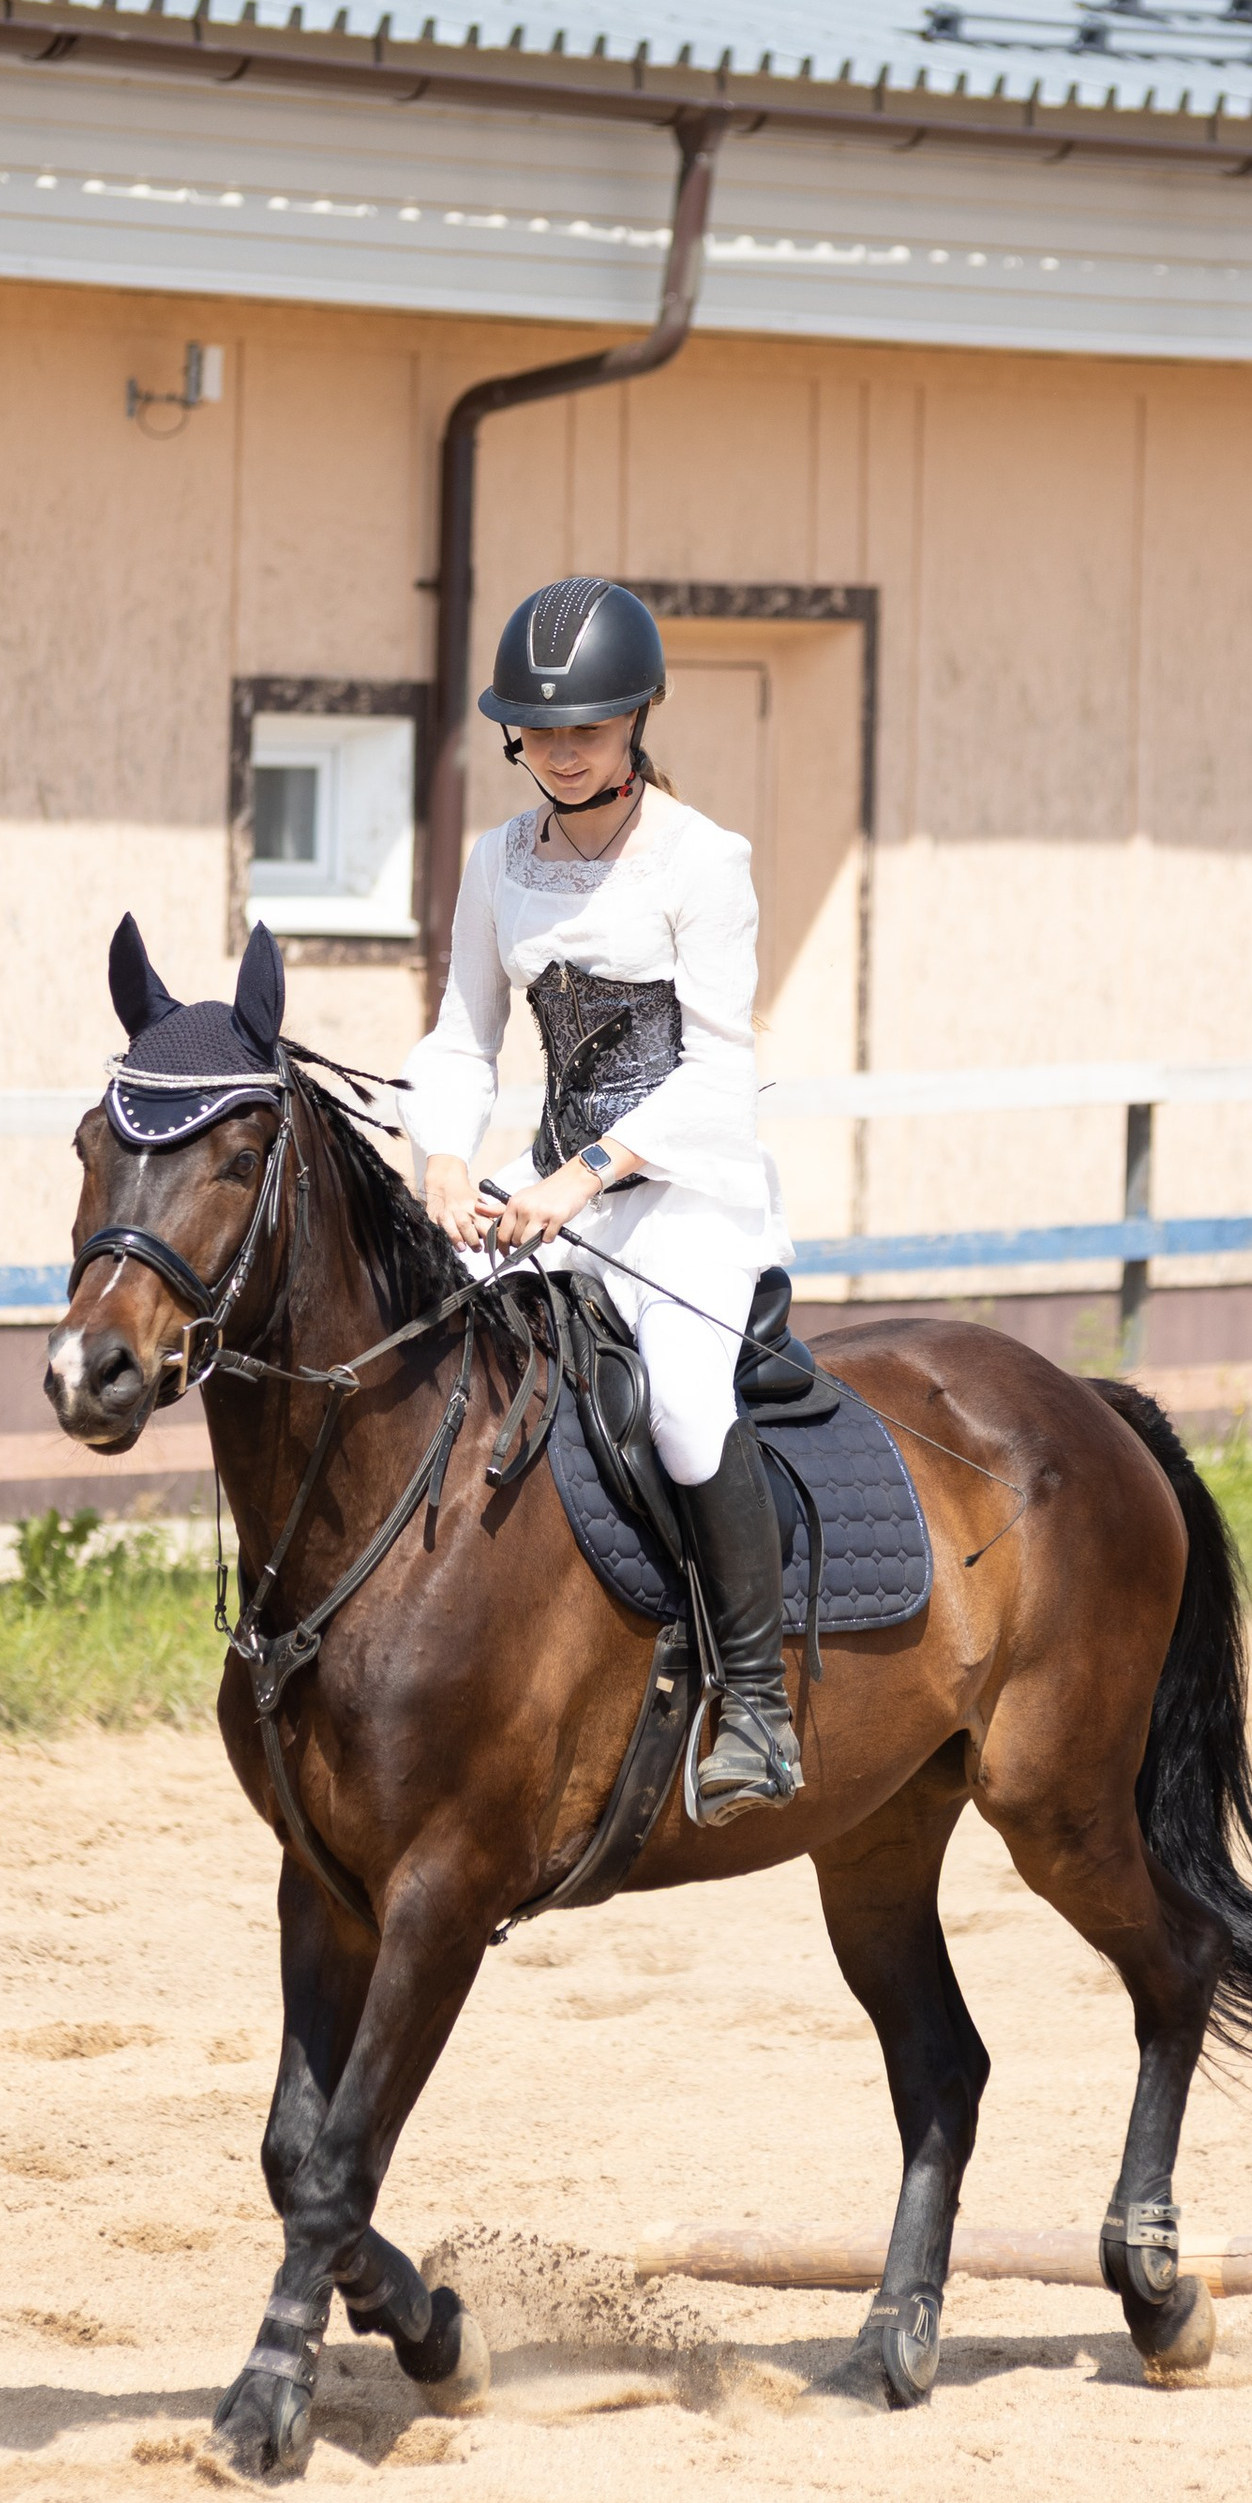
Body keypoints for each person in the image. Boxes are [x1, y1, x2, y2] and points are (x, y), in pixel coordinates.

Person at [401, 578, 803, 1821]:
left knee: (683, 1406)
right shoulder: (497, 861)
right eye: (540, 731)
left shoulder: (702, 859)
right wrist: (444, 1160)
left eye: (587, 729)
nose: (562, 753)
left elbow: (721, 1068)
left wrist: (580, 1181)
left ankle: (756, 1702)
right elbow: (462, 1038)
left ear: (638, 719)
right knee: (419, 1356)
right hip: (539, 1191)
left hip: (682, 1193)